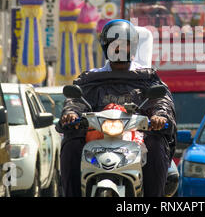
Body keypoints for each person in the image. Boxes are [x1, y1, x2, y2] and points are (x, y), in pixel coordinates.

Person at [57, 19, 177, 197]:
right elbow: (76, 101)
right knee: (71, 143)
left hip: (138, 140)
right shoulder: (90, 79)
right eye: (114, 44)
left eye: (124, 44)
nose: (119, 48)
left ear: (133, 47)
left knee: (157, 143)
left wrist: (160, 116)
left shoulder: (147, 78)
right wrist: (71, 113)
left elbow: (161, 102)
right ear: (106, 46)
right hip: (96, 138)